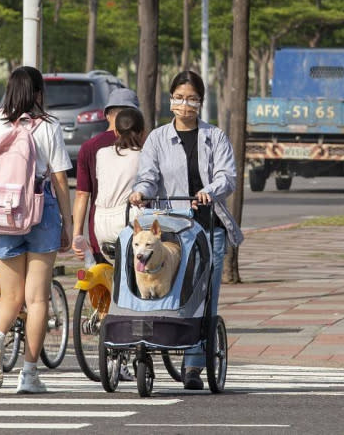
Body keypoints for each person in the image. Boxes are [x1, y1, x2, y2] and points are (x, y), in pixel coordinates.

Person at [0, 66, 73, 393]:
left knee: (10, 295)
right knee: (37, 300)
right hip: (41, 211)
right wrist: (68, 223)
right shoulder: (48, 126)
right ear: (38, 94)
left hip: (2, 212)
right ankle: (29, 374)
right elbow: (61, 179)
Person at [128, 70, 243, 390]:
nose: (185, 104)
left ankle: (193, 363)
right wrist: (141, 190)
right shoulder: (158, 138)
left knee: (204, 295)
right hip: (174, 227)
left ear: (201, 102)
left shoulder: (215, 136)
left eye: (191, 98)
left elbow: (228, 175)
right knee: (165, 287)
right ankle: (156, 341)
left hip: (208, 226)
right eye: (179, 97)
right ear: (170, 100)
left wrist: (211, 190)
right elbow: (148, 175)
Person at [72, 88, 141, 262]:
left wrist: (77, 236)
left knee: (103, 284)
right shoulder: (143, 149)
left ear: (107, 115)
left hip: (100, 230)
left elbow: (82, 194)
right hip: (135, 231)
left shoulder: (90, 147)